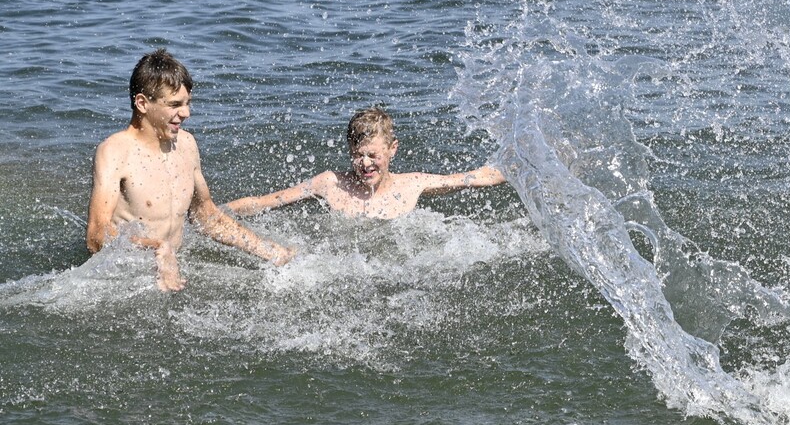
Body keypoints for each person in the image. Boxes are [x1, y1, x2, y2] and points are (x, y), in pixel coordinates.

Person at [86, 49, 295, 291]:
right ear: (142, 103)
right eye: (175, 105)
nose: (186, 113)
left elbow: (205, 216)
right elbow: (96, 236)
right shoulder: (115, 152)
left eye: (187, 103)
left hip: (175, 272)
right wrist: (156, 247)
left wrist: (268, 251)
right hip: (123, 281)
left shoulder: (186, 144)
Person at [224, 107, 506, 220]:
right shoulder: (330, 183)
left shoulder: (413, 184)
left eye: (374, 155)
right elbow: (267, 201)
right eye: (358, 155)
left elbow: (474, 177)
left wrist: (520, 168)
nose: (366, 163)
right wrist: (214, 213)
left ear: (392, 149)